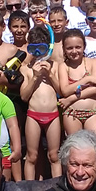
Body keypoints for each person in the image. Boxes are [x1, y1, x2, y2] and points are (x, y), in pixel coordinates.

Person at [21, 26, 62, 180]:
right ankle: (29, 189)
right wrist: (35, 77)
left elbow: (61, 91)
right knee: (31, 156)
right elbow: (24, 96)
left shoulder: (56, 66)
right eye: (33, 49)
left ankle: (57, 188)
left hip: (53, 115)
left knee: (54, 156)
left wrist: (50, 75)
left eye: (42, 49)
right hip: (33, 115)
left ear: (48, 47)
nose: (38, 53)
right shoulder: (26, 69)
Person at [56, 29, 96, 135]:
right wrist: (86, 79)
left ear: (84, 46)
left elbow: (95, 89)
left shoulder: (93, 62)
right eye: (69, 48)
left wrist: (71, 99)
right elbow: (65, 91)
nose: (74, 51)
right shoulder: (63, 66)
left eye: (78, 47)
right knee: (75, 148)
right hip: (72, 113)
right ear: (63, 49)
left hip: (92, 112)